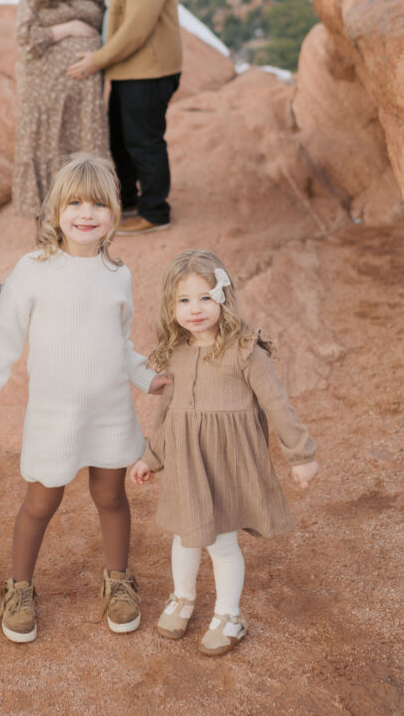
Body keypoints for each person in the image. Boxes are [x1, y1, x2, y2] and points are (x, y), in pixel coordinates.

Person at [0, 154, 168, 642]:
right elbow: (2, 341)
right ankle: (18, 588)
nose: (86, 213)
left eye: (99, 203)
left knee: (111, 496)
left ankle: (118, 581)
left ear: (113, 213)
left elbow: (119, 344)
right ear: (55, 211)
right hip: (55, 415)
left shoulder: (117, 274)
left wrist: (146, 378)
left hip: (110, 411)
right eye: (75, 202)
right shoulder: (34, 270)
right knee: (41, 500)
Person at [130, 249, 319, 656]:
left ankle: (229, 614)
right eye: (183, 300)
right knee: (185, 536)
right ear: (170, 305)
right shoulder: (176, 354)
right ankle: (183, 597)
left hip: (228, 466)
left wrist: (301, 456)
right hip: (186, 465)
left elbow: (278, 404)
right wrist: (151, 457)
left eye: (205, 297)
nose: (194, 309)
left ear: (223, 298)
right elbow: (167, 415)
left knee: (221, 543)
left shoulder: (246, 350)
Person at [67, 0, 182, 234]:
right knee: (121, 141)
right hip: (130, 72)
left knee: (144, 143)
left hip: (148, 73)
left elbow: (136, 29)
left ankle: (156, 212)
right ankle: (130, 202)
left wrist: (96, 60)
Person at [13, 0, 109, 217]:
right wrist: (68, 29)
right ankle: (48, 219)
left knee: (83, 147)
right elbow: (25, 36)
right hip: (46, 90)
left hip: (84, 92)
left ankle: (87, 213)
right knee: (49, 146)